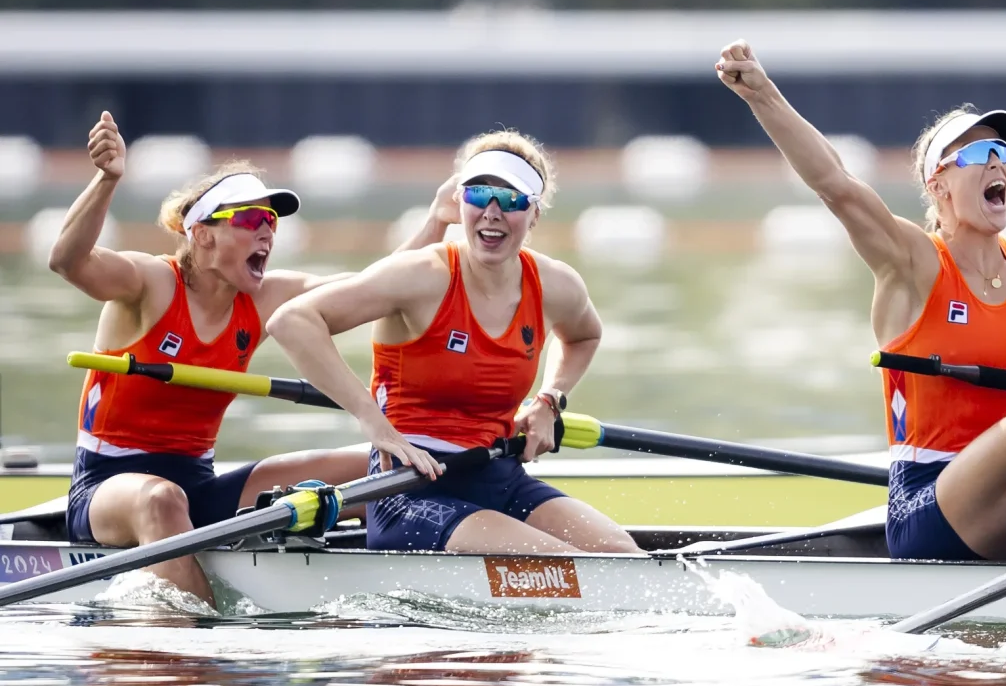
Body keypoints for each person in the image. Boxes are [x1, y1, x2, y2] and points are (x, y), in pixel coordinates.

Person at [716, 39, 1006, 562]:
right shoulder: (913, 263)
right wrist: (764, 96)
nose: (997, 163)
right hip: (928, 508)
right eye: (978, 154)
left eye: (1004, 153)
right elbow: (835, 185)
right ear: (940, 185)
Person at [49, 111, 444, 605]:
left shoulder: (262, 299)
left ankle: (423, 583)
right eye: (253, 220)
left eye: (272, 222)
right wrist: (108, 179)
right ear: (202, 234)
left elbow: (374, 287)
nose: (268, 234)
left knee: (377, 465)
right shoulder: (150, 284)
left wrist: (437, 220)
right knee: (161, 500)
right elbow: (68, 261)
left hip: (199, 483)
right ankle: (207, 645)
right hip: (108, 489)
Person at [267, 130, 639, 555]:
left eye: (512, 200)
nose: (492, 212)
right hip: (408, 487)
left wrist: (549, 399)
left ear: (534, 214)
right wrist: (371, 419)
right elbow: (292, 321)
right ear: (460, 202)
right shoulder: (422, 274)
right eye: (479, 195)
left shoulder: (556, 284)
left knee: (623, 558)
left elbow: (584, 335)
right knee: (564, 564)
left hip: (498, 473)